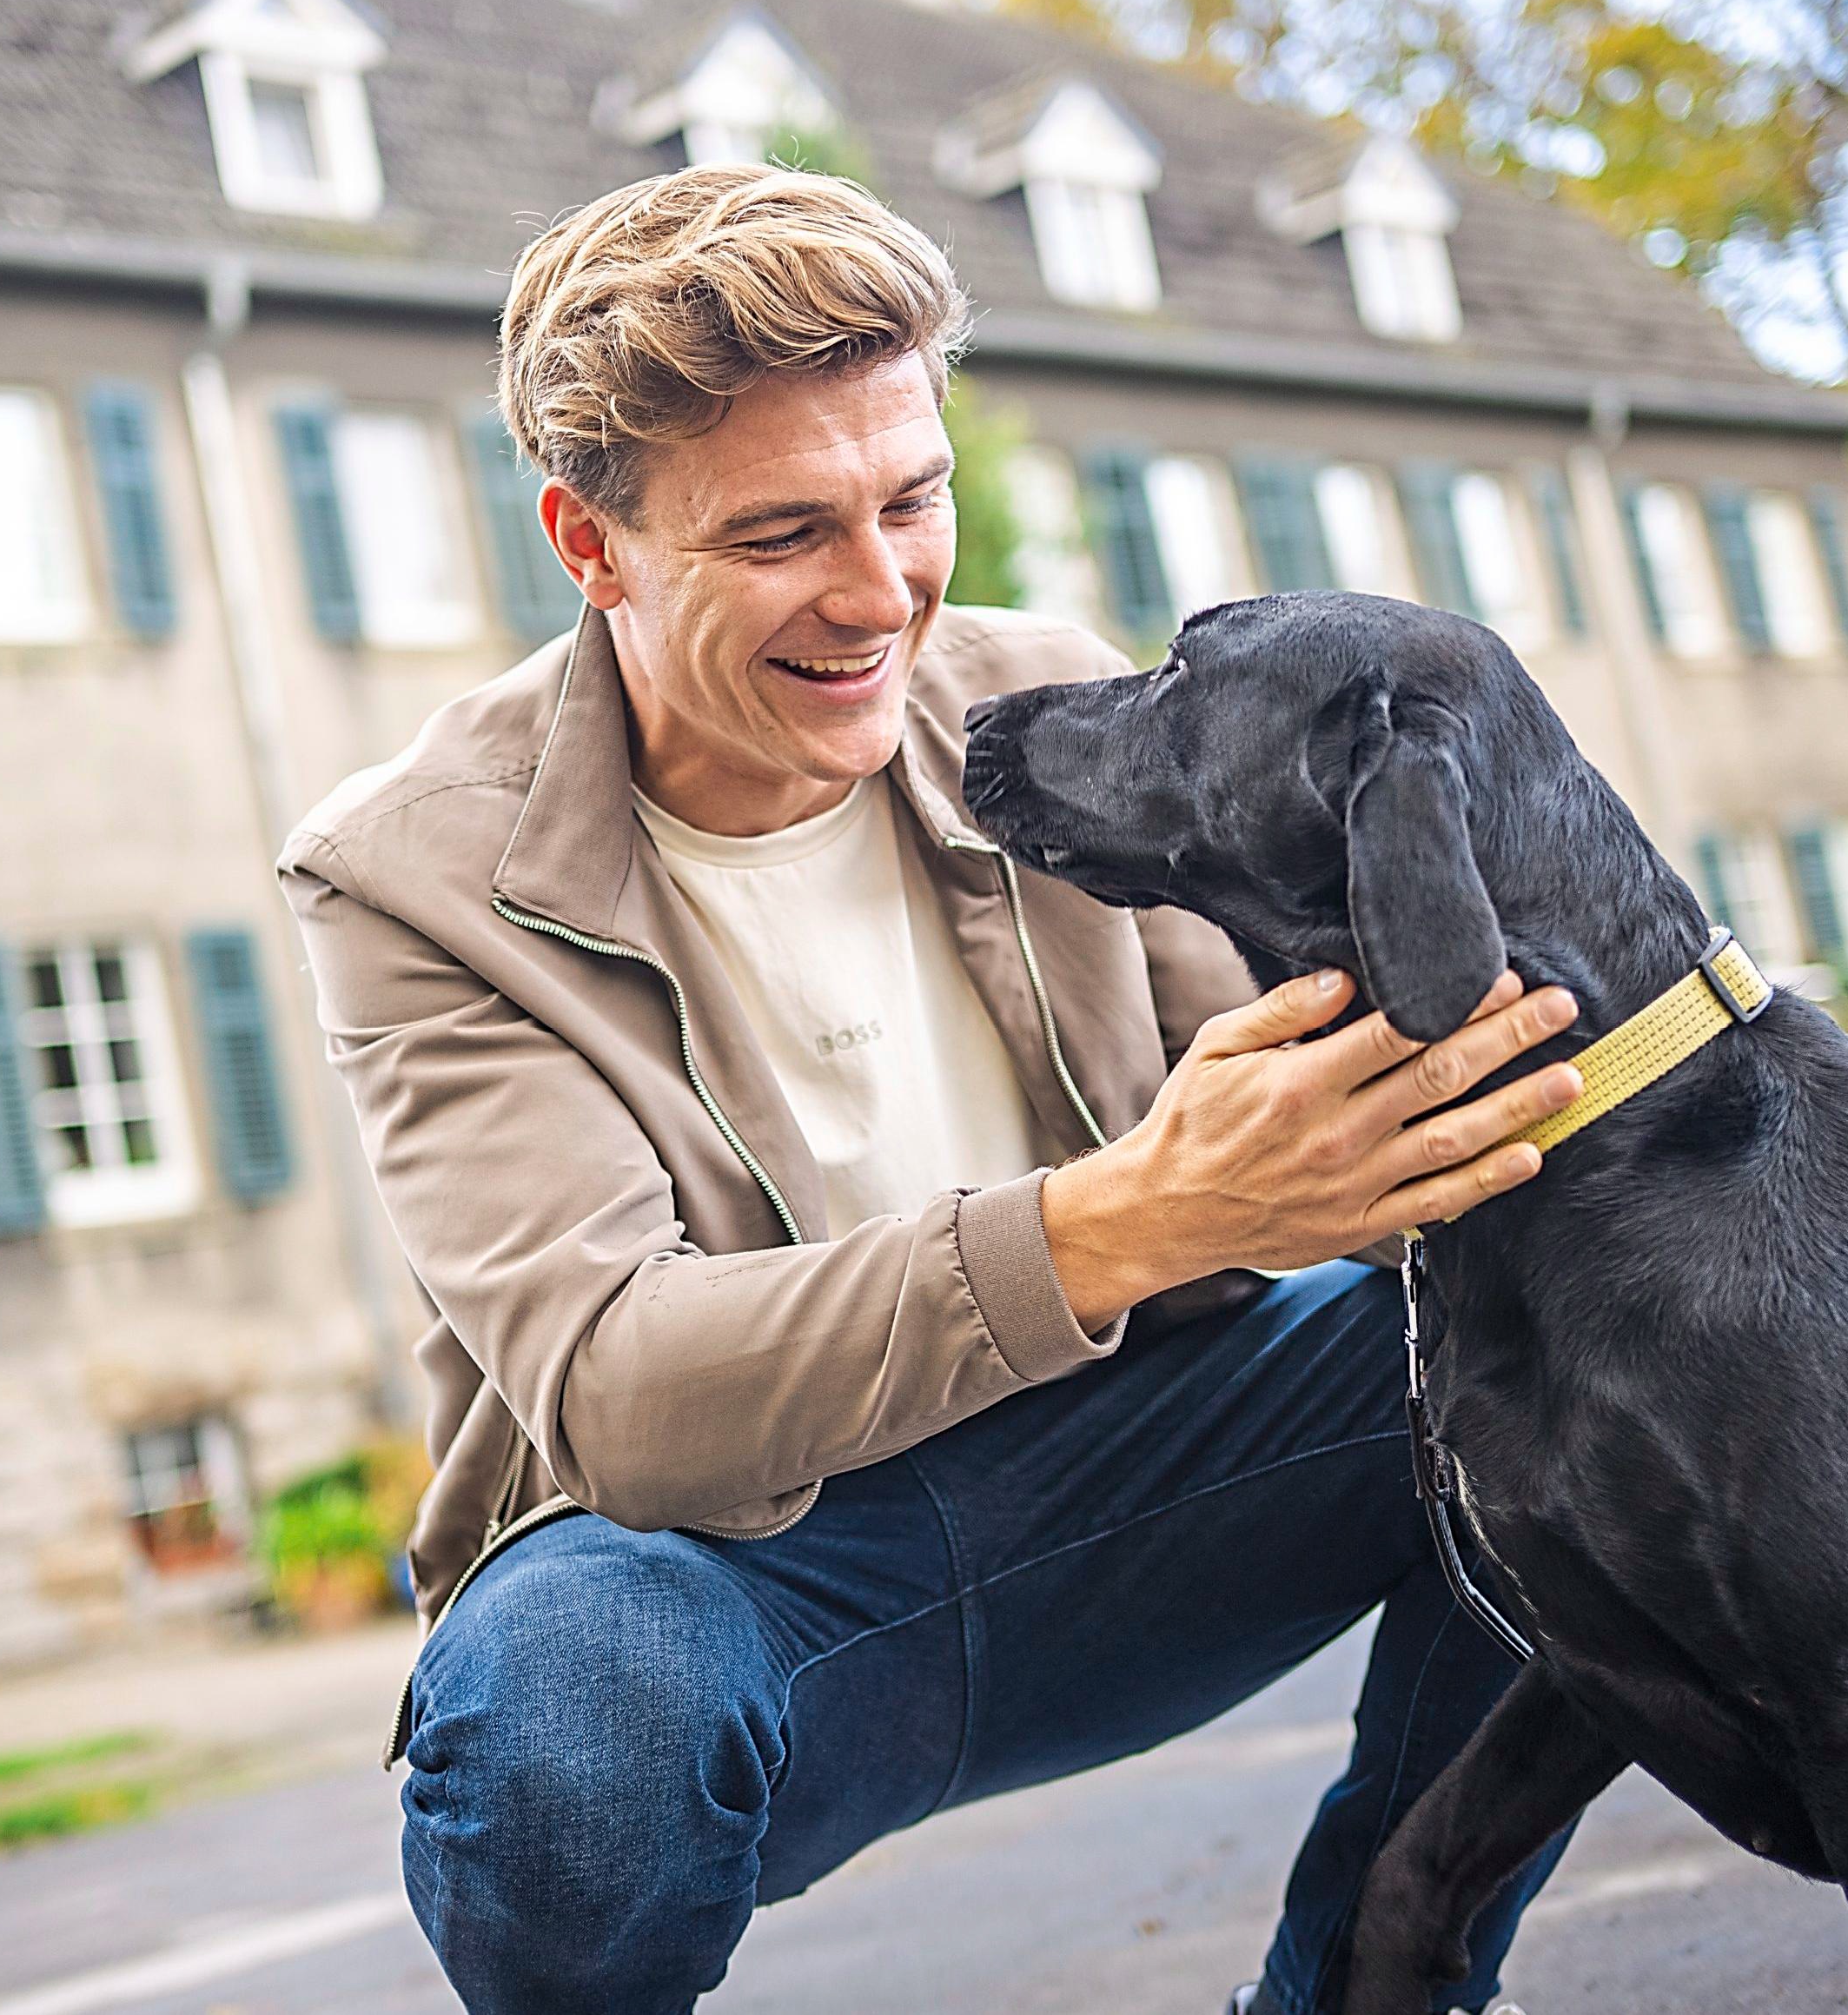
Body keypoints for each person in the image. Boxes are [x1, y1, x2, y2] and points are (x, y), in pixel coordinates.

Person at [278, 165, 1587, 2015]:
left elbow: (1360, 1083)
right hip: (739, 1593)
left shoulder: (1042, 701)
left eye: (912, 497)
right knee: (558, 1725)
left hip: (1146, 1477)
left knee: (1581, 1357)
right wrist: (1132, 1214)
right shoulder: (409, 876)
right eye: (781, 534)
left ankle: (1375, 1994)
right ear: (590, 545)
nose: (879, 589)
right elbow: (625, 1391)